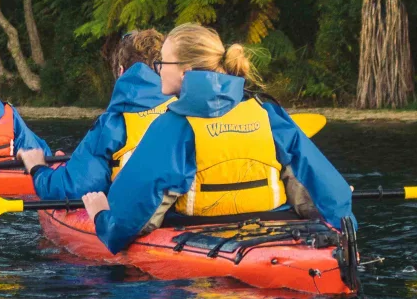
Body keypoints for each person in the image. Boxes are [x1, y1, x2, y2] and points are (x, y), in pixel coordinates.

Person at [79, 24, 354, 254]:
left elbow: (131, 220)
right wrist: (344, 233)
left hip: (199, 241)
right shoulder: (268, 113)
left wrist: (103, 218)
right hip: (277, 233)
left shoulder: (173, 126)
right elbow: (329, 190)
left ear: (185, 72)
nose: (157, 69)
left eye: (162, 62)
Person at [19, 29, 171, 200]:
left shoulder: (113, 125)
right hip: (184, 212)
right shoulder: (188, 112)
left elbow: (71, 188)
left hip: (135, 213)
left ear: (121, 71)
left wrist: (38, 168)